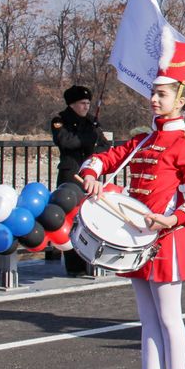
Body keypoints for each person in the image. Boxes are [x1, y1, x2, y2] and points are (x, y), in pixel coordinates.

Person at [78, 36, 185, 369]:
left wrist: (174, 220)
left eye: (161, 94)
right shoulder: (143, 141)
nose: (153, 100)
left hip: (166, 243)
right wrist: (91, 173)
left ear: (182, 100)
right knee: (147, 320)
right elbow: (104, 158)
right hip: (137, 243)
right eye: (153, 93)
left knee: (171, 320)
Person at [51, 84, 110, 275]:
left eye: (88, 103)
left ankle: (92, 260)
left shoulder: (92, 122)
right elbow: (66, 141)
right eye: (83, 103)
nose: (86, 107)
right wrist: (88, 139)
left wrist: (94, 150)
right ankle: (74, 265)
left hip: (91, 176)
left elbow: (105, 146)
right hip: (71, 175)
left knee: (91, 218)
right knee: (71, 219)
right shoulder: (60, 120)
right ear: (72, 104)